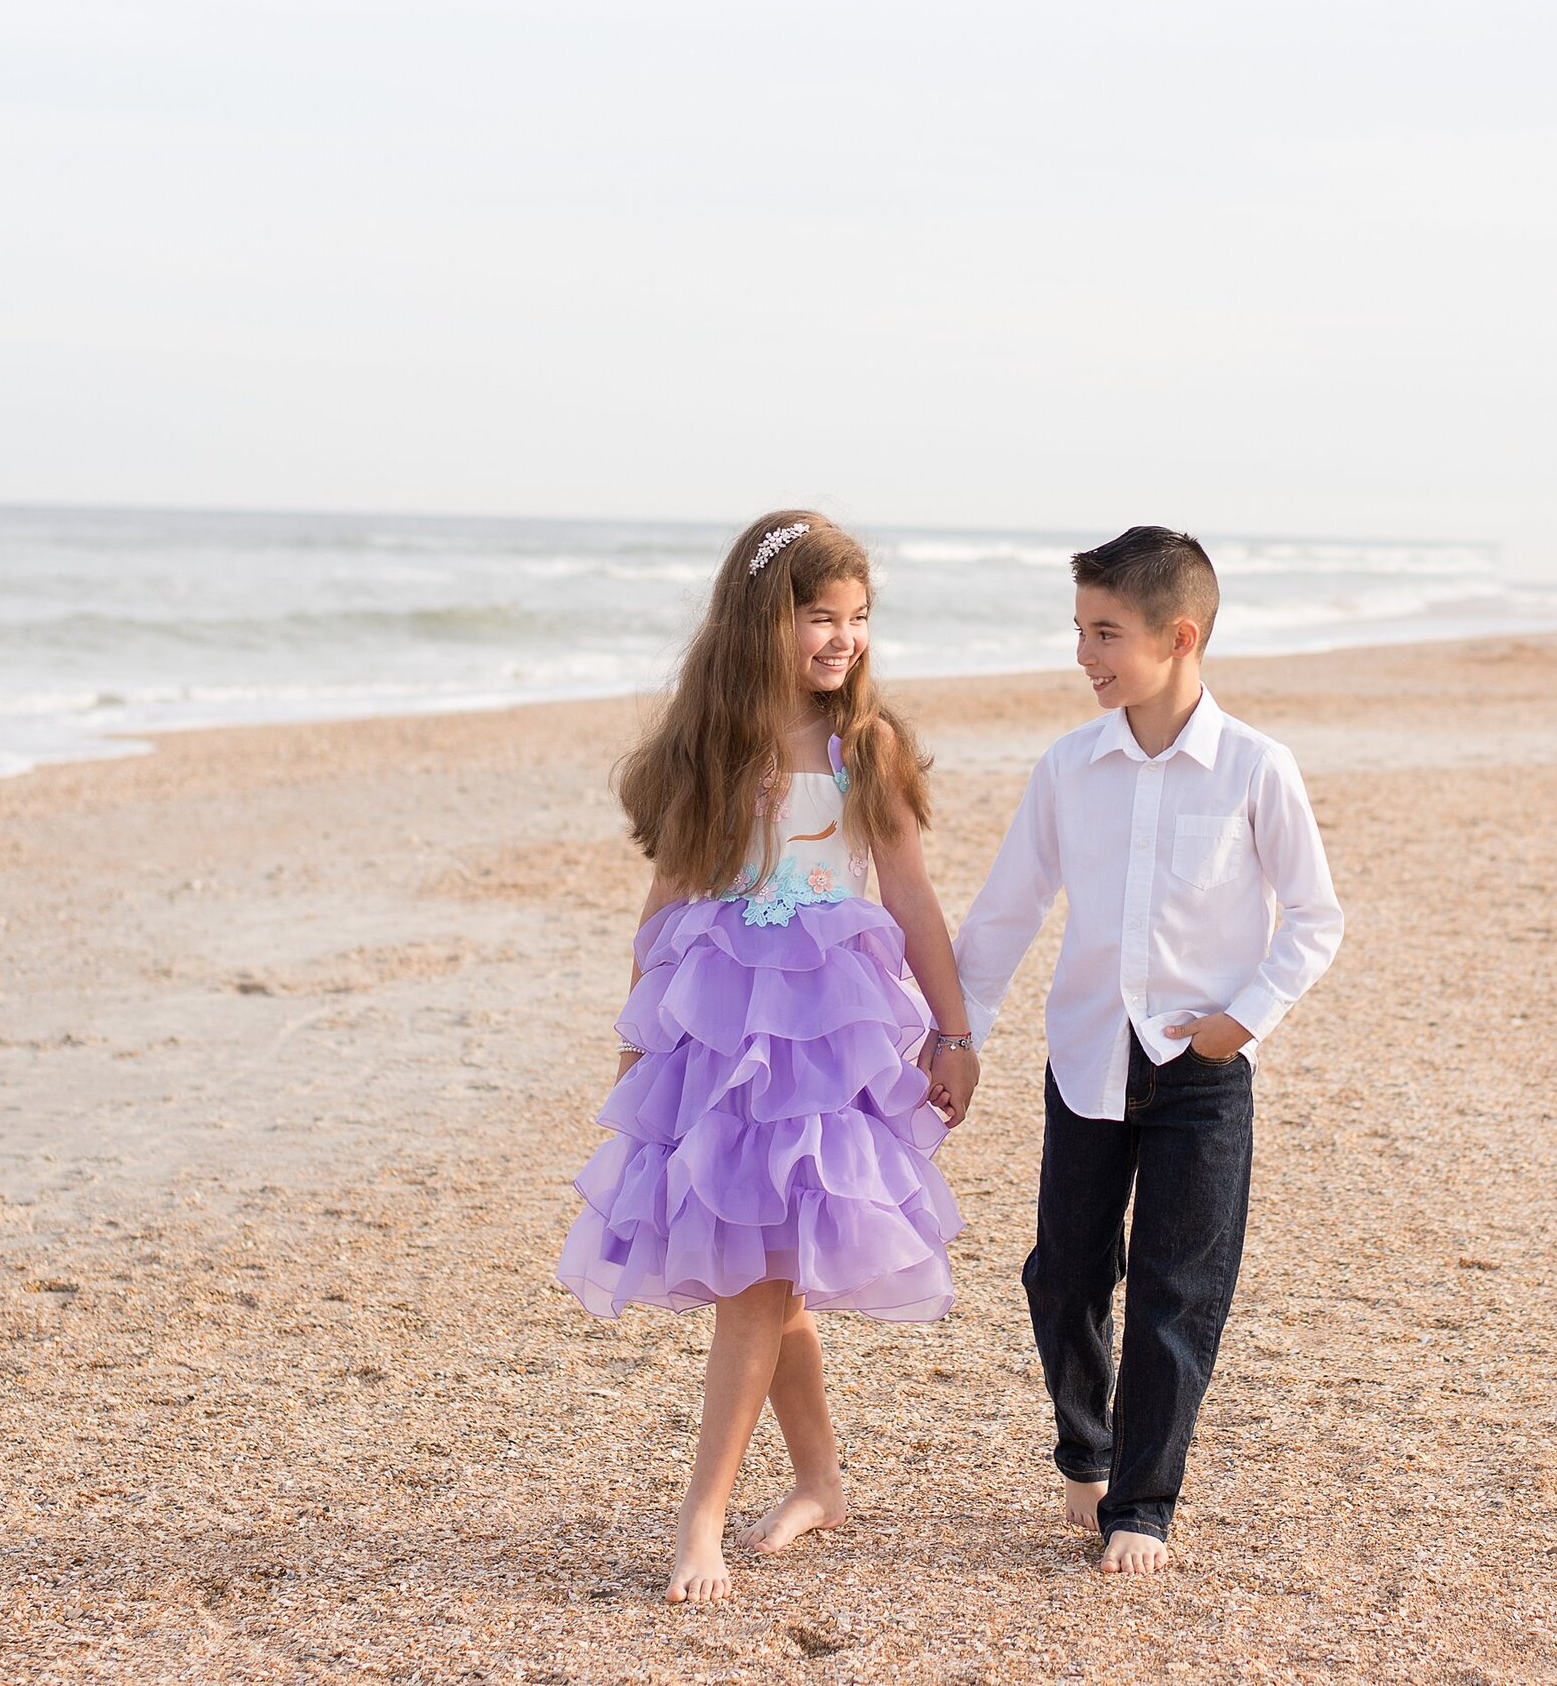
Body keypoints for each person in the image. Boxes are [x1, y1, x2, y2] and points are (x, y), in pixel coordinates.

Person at [558, 509, 980, 1604]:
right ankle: (819, 1482)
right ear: (763, 620)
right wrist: (637, 1038)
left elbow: (912, 896)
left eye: (859, 619)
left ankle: (699, 1519)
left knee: (758, 1278)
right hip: (722, 1036)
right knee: (764, 1269)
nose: (843, 639)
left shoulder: (863, 747)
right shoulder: (714, 750)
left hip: (827, 1046)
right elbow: (665, 904)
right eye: (819, 618)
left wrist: (954, 1031)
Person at [948, 526, 1343, 1576]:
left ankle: (1144, 1504)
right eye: (1078, 630)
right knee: (1062, 1274)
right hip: (1084, 1055)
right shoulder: (1068, 768)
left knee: (1177, 1290)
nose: (1083, 654)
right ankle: (1087, 1450)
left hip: (1204, 1075)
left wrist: (1244, 1018)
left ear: (1178, 637)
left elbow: (1313, 918)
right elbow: (1002, 917)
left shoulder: (1258, 768)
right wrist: (956, 1037)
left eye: (1104, 633)